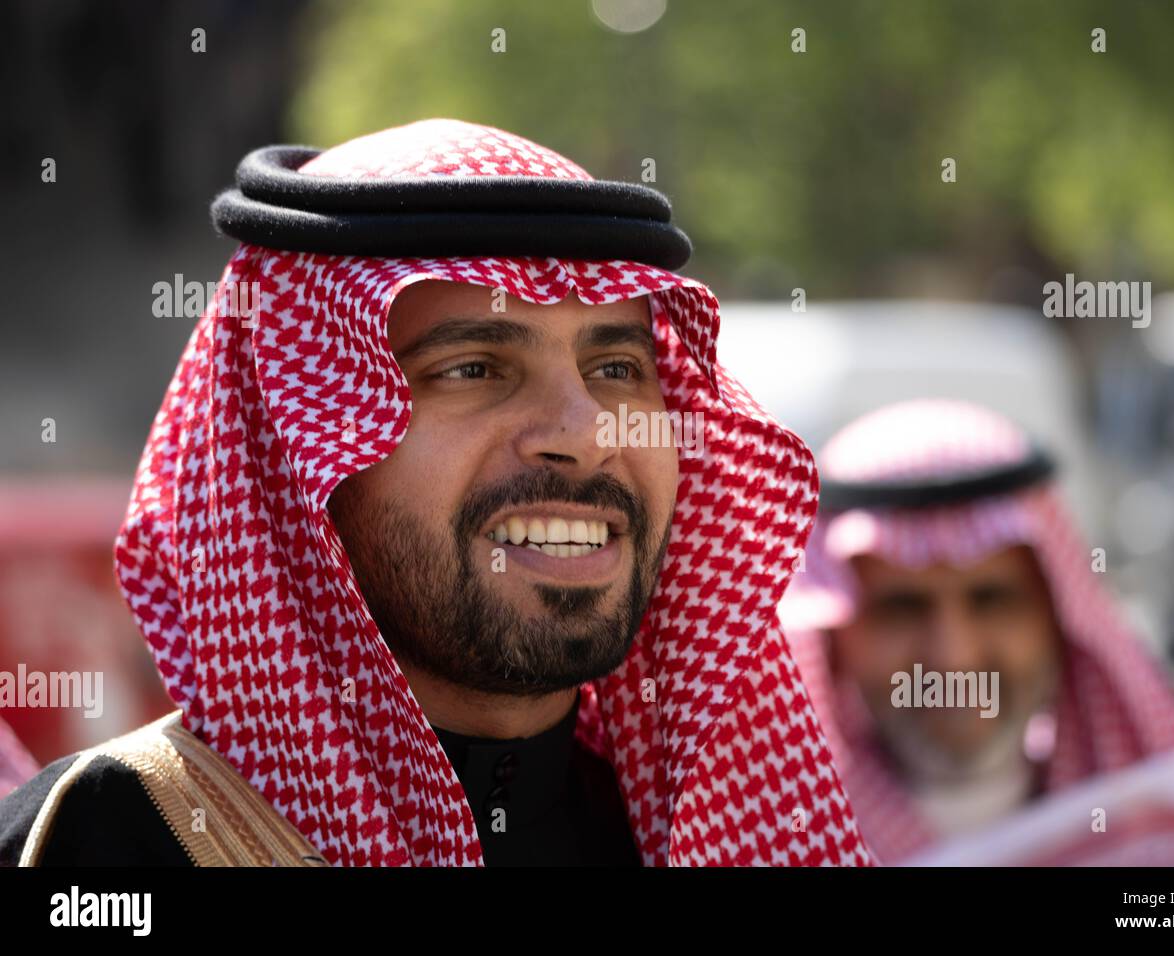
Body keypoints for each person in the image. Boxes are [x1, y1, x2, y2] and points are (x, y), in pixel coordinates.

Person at [0, 119, 869, 867]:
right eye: (474, 367)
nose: (587, 430)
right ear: (300, 452)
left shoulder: (698, 833)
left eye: (616, 368)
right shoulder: (114, 844)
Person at [781, 399, 1174, 865]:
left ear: (1058, 616)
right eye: (902, 608)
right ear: (833, 636)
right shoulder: (775, 843)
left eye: (991, 600)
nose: (954, 659)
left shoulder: (1169, 845)